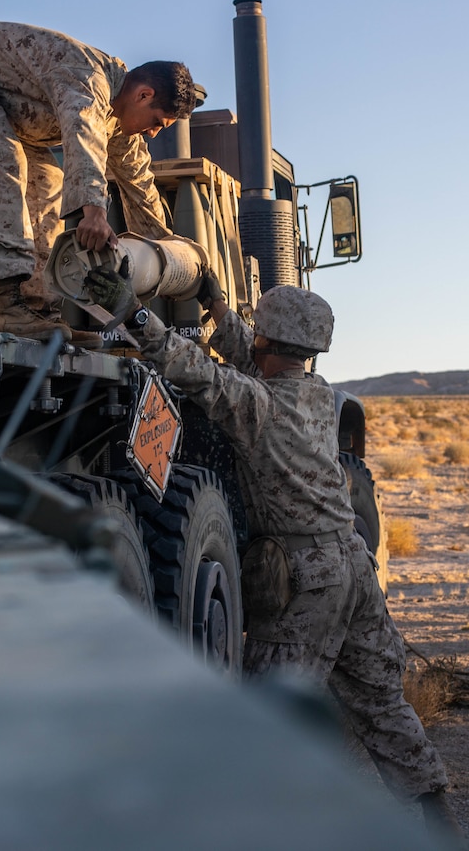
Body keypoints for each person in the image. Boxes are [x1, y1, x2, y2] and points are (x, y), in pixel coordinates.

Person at [83, 262, 466, 847]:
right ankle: (441, 821)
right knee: (383, 709)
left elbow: (190, 368)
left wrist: (130, 309)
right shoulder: (316, 396)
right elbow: (250, 359)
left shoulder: (255, 405)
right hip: (356, 571)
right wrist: (215, 302)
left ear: (268, 343)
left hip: (307, 585)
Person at [0, 22, 196, 343]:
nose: (154, 132)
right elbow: (81, 134)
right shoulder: (89, 78)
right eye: (157, 122)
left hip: (1, 103)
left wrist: (171, 255)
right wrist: (94, 212)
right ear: (144, 95)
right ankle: (6, 305)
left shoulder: (118, 118)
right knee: (0, 160)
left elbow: (139, 184)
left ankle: (36, 312)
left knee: (47, 181)